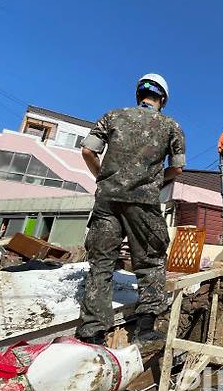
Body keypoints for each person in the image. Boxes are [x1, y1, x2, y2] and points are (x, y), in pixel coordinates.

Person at [75, 73, 185, 348]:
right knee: (150, 261)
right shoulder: (171, 126)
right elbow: (178, 167)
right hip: (143, 202)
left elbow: (88, 151)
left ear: (139, 95)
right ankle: (145, 329)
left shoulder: (112, 116)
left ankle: (92, 332)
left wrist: (103, 177)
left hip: (107, 200)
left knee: (101, 264)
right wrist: (156, 180)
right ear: (163, 99)